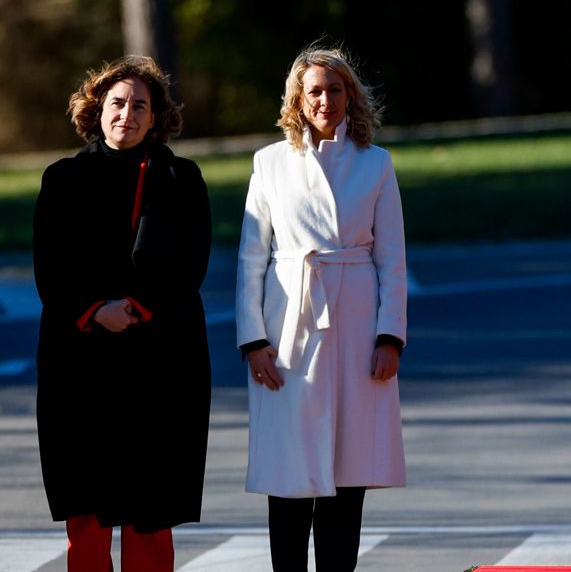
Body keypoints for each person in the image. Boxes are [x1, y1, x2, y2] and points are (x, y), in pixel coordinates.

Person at [34, 55, 212, 571]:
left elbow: (191, 261)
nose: (127, 114)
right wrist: (95, 311)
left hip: (159, 359)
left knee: (149, 509)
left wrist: (135, 308)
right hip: (81, 361)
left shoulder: (181, 176)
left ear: (156, 116)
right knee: (86, 508)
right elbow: (50, 267)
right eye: (118, 103)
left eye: (140, 105)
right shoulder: (63, 178)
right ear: (97, 109)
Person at [235, 46, 408, 572]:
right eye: (315, 91)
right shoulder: (269, 162)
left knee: (346, 471)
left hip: (356, 325)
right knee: (289, 471)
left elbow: (392, 258)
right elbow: (250, 258)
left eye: (335, 90)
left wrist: (389, 336)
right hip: (289, 327)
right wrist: (253, 340)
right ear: (297, 98)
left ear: (350, 96)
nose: (325, 100)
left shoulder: (375, 163)